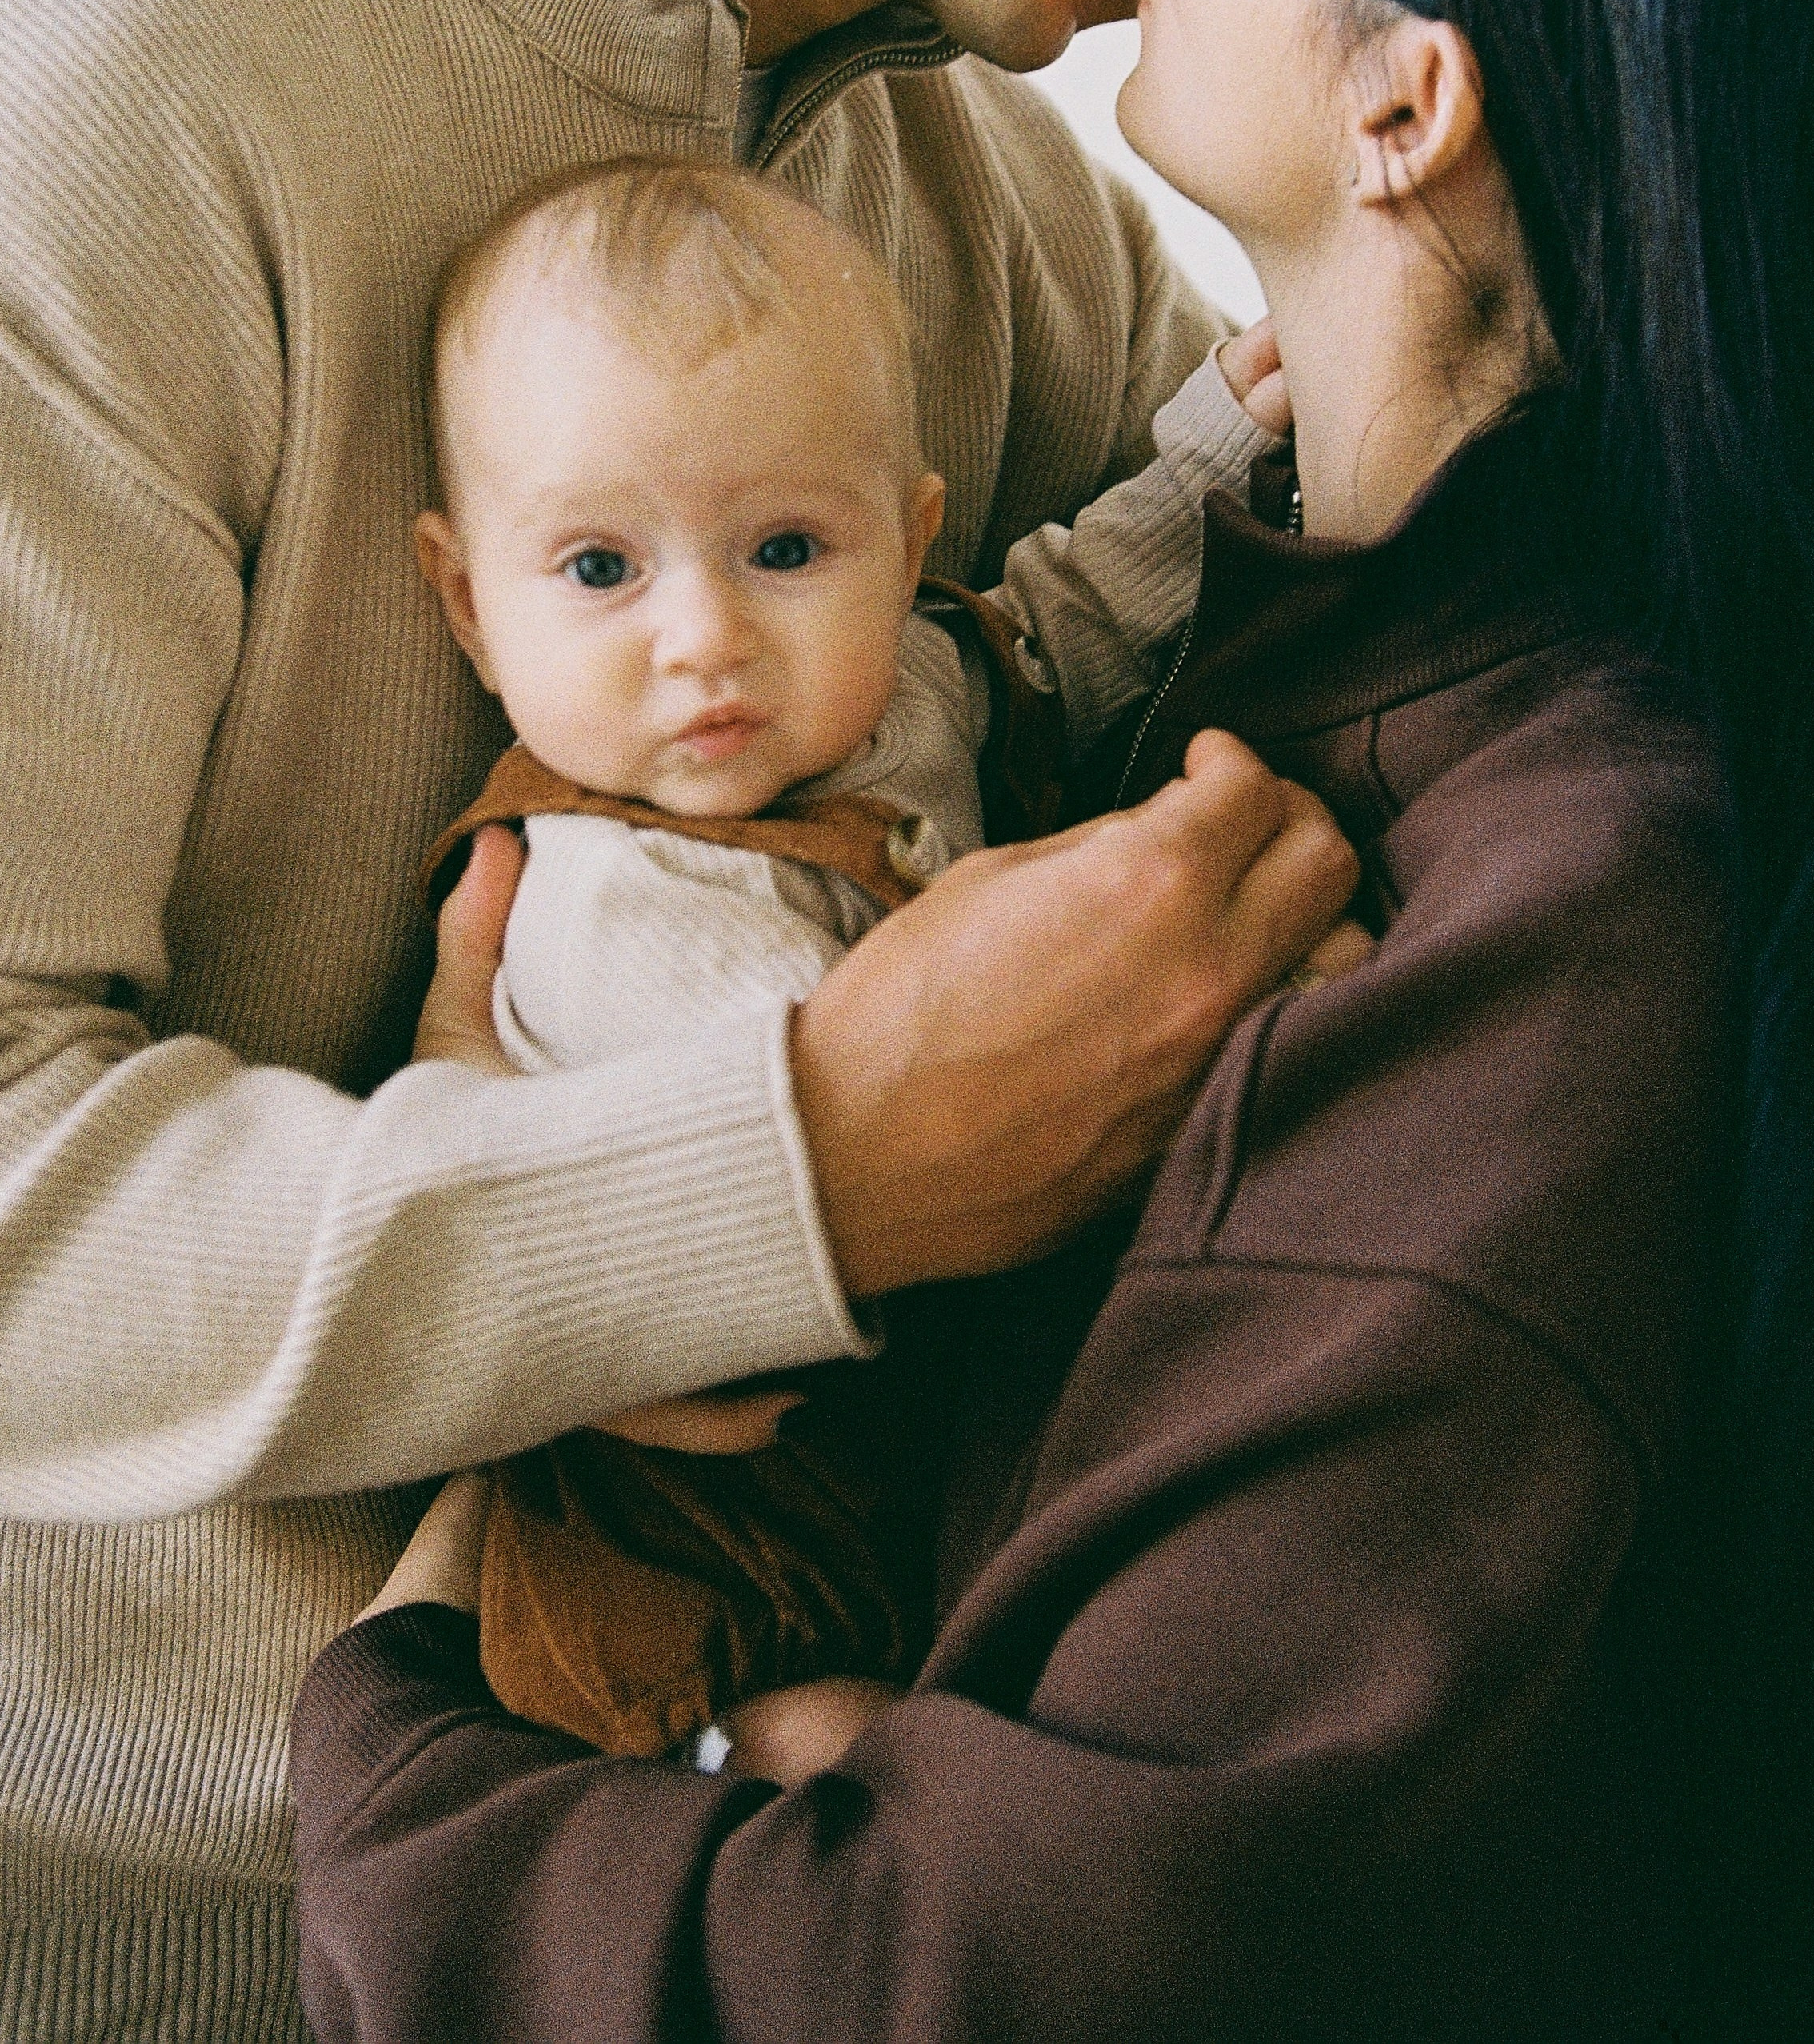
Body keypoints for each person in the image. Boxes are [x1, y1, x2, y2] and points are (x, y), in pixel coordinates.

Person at [0, 0, 1476, 2040]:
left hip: (681, 1941)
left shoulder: (1025, 247)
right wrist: (797, 1167)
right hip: (72, 1959)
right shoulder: (117, 62)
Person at [289, 0, 1814, 2042]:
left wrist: (405, 1723)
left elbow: (993, 1965)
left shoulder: (1538, 907)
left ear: (1405, 98)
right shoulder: (1307, 649)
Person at [408, 154, 1317, 1752]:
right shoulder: (611, 904)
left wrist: (1211, 453)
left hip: (932, 1416)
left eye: (782, 550)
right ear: (472, 607)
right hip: (723, 1537)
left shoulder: (899, 686)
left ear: (903, 549)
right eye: (599, 569)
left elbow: (1060, 620)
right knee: (834, 1752)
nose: (701, 637)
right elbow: (924, 1081)